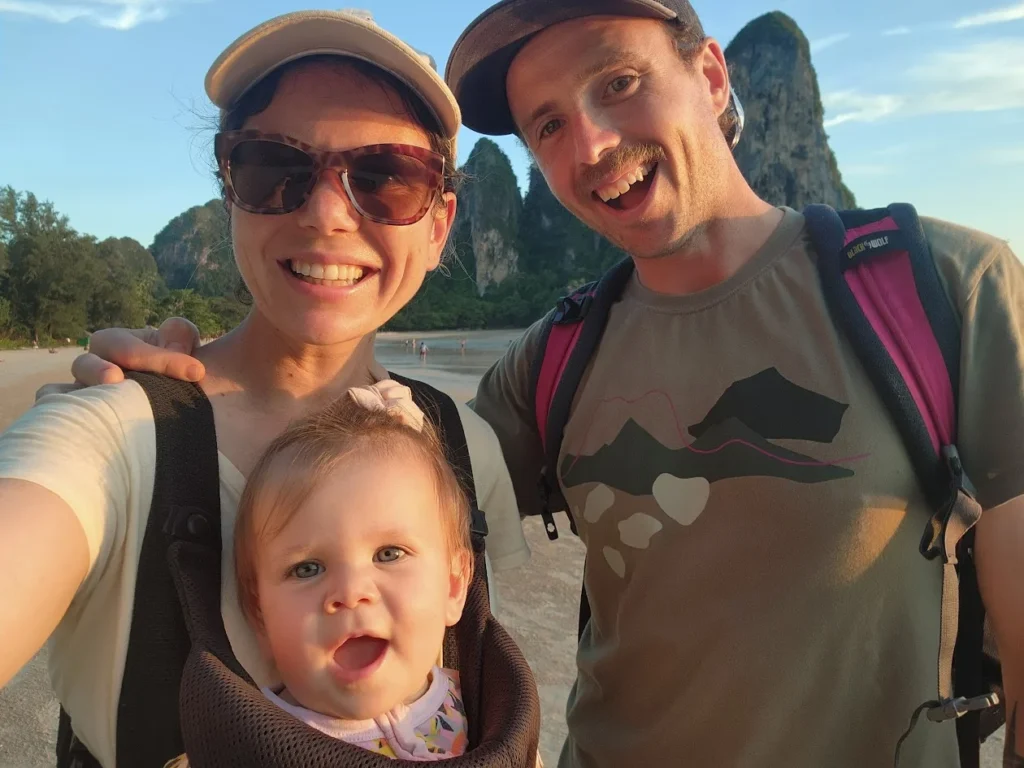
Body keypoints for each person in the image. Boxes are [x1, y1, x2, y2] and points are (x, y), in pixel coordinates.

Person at [53, 1, 1024, 766]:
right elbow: (370, 479)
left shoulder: (939, 287)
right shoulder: (551, 361)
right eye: (546, 123)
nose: (591, 143)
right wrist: (179, 386)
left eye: (619, 81)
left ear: (712, 72)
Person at [0, 9, 530, 768]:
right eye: (271, 168)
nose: (325, 214)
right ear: (229, 194)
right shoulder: (113, 437)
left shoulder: (459, 444)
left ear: (439, 224)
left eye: (385, 178)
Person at [169, 387, 475, 765]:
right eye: (307, 568)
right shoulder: (249, 741)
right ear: (259, 610)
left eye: (389, 554)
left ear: (454, 585)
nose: (350, 592)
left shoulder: (485, 705)